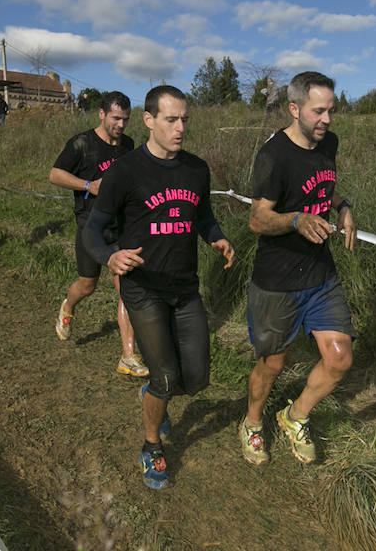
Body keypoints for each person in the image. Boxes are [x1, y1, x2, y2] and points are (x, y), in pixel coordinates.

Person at [82, 85, 234, 490]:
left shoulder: (196, 169)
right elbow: (93, 231)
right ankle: (152, 446)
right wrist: (110, 257)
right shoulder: (126, 171)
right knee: (166, 376)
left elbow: (202, 217)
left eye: (185, 119)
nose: (181, 127)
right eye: (171, 119)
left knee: (197, 379)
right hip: (143, 287)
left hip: (184, 287)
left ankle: (153, 393)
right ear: (149, 121)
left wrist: (216, 237)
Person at [239, 71, 357, 467]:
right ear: (294, 109)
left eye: (331, 111)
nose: (327, 120)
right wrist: (295, 220)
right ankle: (253, 422)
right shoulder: (274, 155)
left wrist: (343, 207)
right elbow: (258, 219)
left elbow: (324, 185)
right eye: (318, 111)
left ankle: (295, 416)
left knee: (339, 358)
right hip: (277, 281)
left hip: (320, 274)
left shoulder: (329, 143)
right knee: (273, 364)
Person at [49, 91, 149, 379]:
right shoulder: (81, 143)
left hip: (121, 226)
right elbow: (55, 174)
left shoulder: (128, 145)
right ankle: (67, 307)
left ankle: (128, 355)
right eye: (116, 118)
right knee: (87, 285)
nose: (121, 124)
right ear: (102, 114)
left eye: (126, 119)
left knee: (125, 286)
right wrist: (88, 185)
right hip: (90, 227)